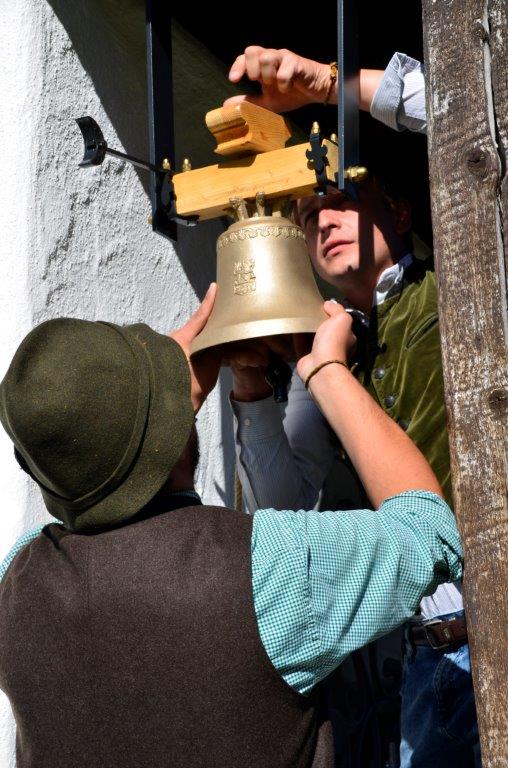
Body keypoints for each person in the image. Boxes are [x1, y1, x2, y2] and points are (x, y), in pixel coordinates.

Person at [0, 286, 463, 768]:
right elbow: (428, 529)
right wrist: (325, 370)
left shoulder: (16, 583)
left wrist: (161, 414)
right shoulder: (265, 567)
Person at [225, 47, 479, 767]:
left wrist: (333, 86)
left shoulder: (465, 287)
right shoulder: (335, 355)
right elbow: (287, 502)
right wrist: (251, 386)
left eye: (341, 197)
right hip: (414, 663)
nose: (323, 218)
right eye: (307, 215)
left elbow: (480, 116)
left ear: (397, 210)